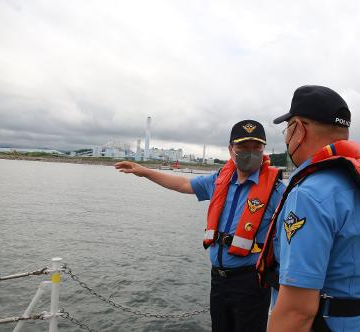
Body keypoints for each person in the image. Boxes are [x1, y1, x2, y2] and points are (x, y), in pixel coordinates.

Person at [257, 85, 360, 332]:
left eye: (287, 129)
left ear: (298, 130)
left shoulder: (309, 195)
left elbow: (297, 310)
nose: (287, 137)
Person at [115, 119, 286, 332]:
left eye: (256, 147)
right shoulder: (219, 181)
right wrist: (145, 172)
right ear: (231, 149)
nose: (250, 153)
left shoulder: (277, 191)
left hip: (251, 282)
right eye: (243, 147)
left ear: (263, 150)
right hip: (218, 280)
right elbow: (183, 184)